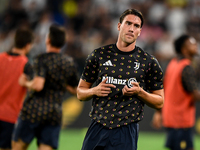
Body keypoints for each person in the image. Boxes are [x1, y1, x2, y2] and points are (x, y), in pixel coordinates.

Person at [77, 9, 164, 150]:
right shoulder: (98, 55)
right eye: (128, 23)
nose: (131, 29)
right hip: (98, 127)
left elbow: (160, 101)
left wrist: (140, 93)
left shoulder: (149, 62)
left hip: (126, 131)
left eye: (136, 26)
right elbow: (80, 93)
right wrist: (95, 90)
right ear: (119, 26)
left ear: (140, 31)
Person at [12, 24, 79, 150]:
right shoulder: (69, 62)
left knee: (17, 147)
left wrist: (25, 83)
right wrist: (60, 83)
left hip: (33, 111)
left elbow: (38, 85)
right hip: (54, 114)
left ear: (48, 40)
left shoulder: (41, 59)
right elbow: (76, 91)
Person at [152, 34, 200, 150]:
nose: (195, 46)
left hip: (171, 117)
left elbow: (163, 89)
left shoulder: (173, 63)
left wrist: (159, 112)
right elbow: (195, 95)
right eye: (192, 44)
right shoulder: (187, 67)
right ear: (184, 49)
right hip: (181, 120)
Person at [0, 28, 34, 150]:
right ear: (28, 45)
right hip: (10, 116)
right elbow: (32, 89)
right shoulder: (25, 64)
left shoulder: (1, 58)